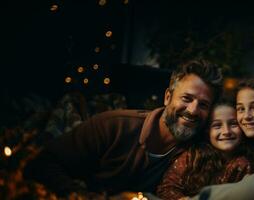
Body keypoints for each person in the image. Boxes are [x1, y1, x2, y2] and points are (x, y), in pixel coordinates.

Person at [23, 59, 223, 196]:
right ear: (167, 97)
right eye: (186, 98)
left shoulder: (199, 151)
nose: (193, 110)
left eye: (203, 105)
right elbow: (41, 163)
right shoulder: (114, 125)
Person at [156, 99, 252, 200]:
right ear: (207, 131)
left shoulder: (245, 165)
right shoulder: (193, 156)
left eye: (233, 124)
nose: (226, 131)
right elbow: (166, 188)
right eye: (217, 125)